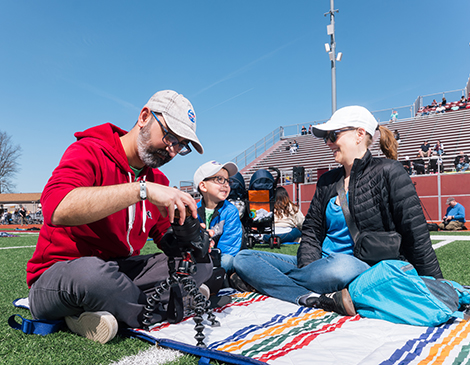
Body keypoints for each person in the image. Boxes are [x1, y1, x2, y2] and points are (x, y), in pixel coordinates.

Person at [26, 90, 213, 344]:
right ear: (144, 117)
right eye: (169, 136)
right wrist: (140, 191)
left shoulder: (157, 180)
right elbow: (56, 209)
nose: (172, 151)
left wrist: (189, 239)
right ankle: (174, 303)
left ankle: (100, 312)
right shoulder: (89, 150)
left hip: (119, 272)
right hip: (62, 274)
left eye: (181, 146)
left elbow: (165, 239)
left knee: (200, 264)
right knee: (94, 277)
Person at [232, 105, 442, 315]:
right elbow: (312, 231)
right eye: (326, 137)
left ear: (359, 134)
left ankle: (274, 283)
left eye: (333, 135)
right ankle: (315, 298)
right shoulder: (327, 181)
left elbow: (416, 234)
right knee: (244, 259)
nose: (328, 142)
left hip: (361, 268)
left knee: (342, 267)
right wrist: (308, 267)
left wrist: (439, 285)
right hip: (319, 266)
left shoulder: (389, 171)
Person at [193, 160, 242, 275]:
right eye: (219, 179)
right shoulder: (194, 210)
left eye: (228, 180)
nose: (226, 184)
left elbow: (229, 246)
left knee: (227, 261)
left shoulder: (231, 211)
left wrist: (211, 258)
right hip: (202, 255)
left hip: (222, 255)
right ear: (203, 186)